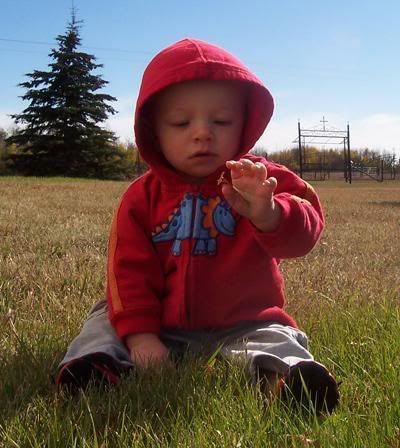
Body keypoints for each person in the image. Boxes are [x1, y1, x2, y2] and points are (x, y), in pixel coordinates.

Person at [56, 38, 339, 414]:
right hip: (159, 323)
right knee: (105, 321)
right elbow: (128, 274)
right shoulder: (141, 198)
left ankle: (288, 382)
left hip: (246, 322)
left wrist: (269, 212)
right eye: (180, 122)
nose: (203, 133)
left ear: (244, 125)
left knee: (275, 338)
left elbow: (305, 231)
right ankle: (95, 370)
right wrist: (142, 338)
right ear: (153, 131)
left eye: (221, 121)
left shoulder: (261, 180)